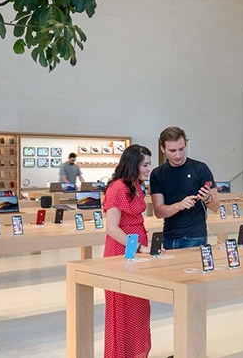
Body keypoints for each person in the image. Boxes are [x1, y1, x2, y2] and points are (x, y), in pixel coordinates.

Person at [103, 144, 154, 358]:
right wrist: (139, 246)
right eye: (145, 164)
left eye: (150, 164)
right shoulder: (117, 189)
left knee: (140, 305)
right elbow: (112, 228)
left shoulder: (136, 185)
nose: (149, 169)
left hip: (136, 249)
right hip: (121, 252)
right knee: (124, 308)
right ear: (133, 164)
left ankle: (138, 352)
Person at [150, 127, 218, 251]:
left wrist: (208, 198)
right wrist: (178, 206)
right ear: (163, 149)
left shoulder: (200, 169)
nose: (178, 155)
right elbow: (159, 212)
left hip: (195, 236)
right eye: (172, 150)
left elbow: (215, 206)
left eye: (181, 149)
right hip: (168, 237)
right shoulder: (157, 174)